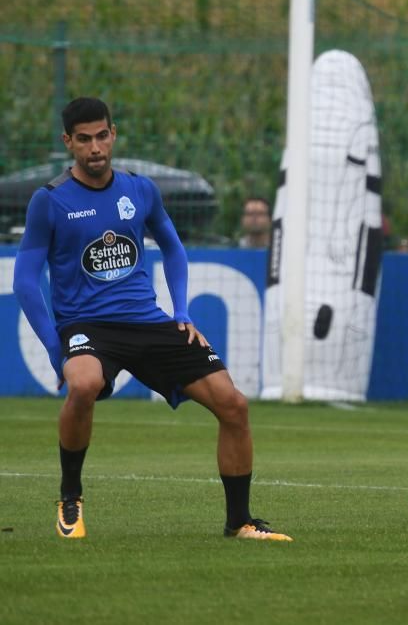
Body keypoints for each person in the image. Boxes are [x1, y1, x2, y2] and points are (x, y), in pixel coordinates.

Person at [12, 97, 291, 541]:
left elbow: (174, 247)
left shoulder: (140, 190)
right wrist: (54, 346)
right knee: (83, 384)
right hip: (88, 326)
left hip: (148, 321)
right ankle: (70, 497)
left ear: (113, 133)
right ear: (69, 143)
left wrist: (180, 311)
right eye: (83, 139)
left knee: (234, 405)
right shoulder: (50, 201)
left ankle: (239, 521)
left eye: (102, 136)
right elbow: (26, 279)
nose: (95, 147)